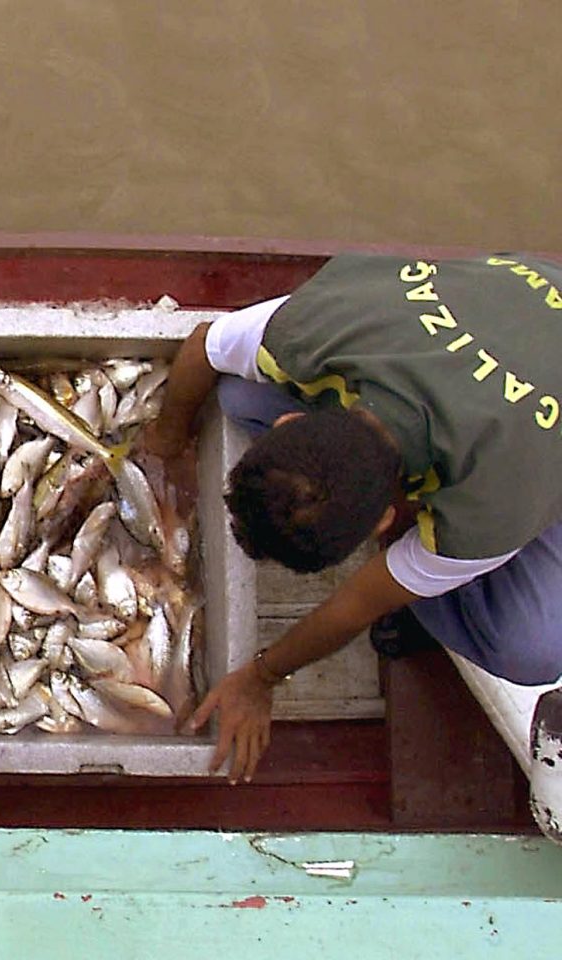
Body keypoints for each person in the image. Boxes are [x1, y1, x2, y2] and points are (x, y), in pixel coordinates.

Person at [143, 252, 562, 800]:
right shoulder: (314, 325)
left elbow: (358, 605)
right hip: (522, 305)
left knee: (532, 648)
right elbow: (205, 344)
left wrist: (261, 676)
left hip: (540, 450)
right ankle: (402, 551)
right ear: (295, 421)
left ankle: (433, 594)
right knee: (239, 394)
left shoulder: (493, 506)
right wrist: (165, 443)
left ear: (391, 521)